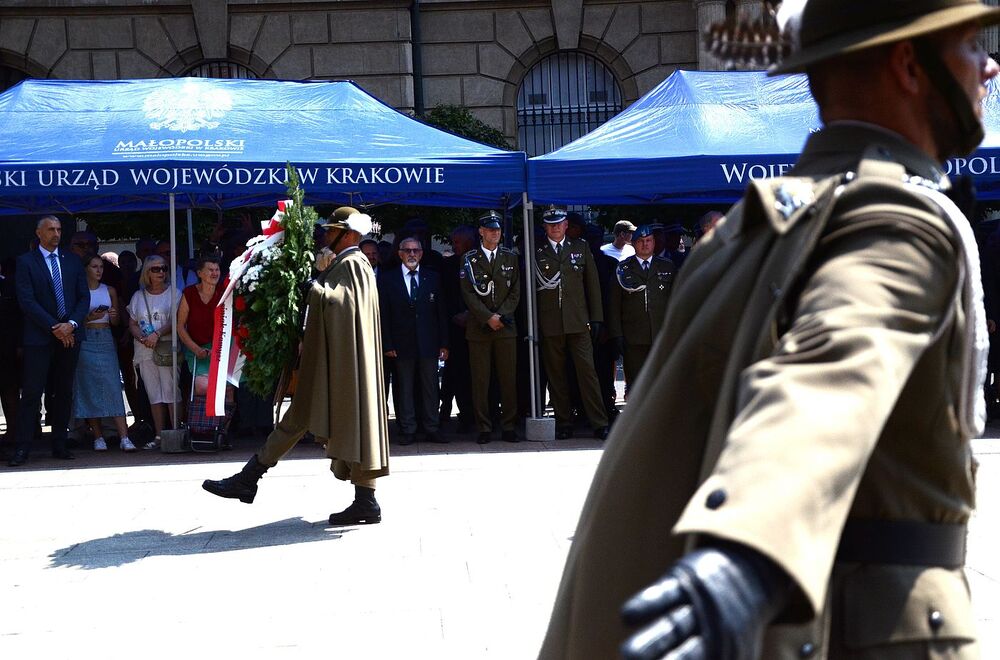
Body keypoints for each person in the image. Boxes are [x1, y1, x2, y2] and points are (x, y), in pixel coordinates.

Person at [538, 1, 1000, 659]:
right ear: (909, 64)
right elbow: (832, 371)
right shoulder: (897, 220)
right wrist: (747, 553)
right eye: (969, 45)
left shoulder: (752, 223)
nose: (988, 66)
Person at [202, 206, 390, 526]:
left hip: (340, 366)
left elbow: (341, 305)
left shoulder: (354, 263)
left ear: (350, 235)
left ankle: (251, 479)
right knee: (307, 418)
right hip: (334, 362)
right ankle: (250, 478)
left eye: (333, 231)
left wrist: (311, 287)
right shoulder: (345, 262)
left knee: (330, 420)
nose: (327, 236)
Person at [8, 215, 89, 467]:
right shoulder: (26, 262)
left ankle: (60, 443)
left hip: (69, 335)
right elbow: (27, 301)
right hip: (40, 337)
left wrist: (71, 325)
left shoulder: (73, 261)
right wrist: (55, 327)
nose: (56, 233)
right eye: (51, 229)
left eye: (59, 229)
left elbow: (83, 298)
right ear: (39, 233)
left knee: (63, 391)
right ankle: (22, 447)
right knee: (32, 392)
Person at [534, 208, 609, 440]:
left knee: (588, 373)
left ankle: (599, 422)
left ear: (566, 225)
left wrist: (596, 317)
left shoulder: (580, 247)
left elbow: (592, 285)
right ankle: (564, 421)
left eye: (559, 224)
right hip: (550, 321)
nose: (555, 228)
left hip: (578, 321)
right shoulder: (537, 251)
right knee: (556, 375)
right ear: (545, 227)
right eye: (551, 224)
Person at [380, 236, 450, 445]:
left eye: (416, 251)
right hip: (401, 344)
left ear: (421, 254)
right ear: (400, 253)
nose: (412, 254)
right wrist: (388, 343)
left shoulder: (433, 278)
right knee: (405, 387)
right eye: (407, 251)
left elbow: (441, 313)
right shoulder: (387, 279)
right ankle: (408, 428)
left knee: (430, 388)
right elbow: (383, 315)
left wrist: (444, 343)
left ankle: (432, 427)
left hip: (429, 342)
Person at [461, 211, 521, 444]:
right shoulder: (469, 259)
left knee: (508, 379)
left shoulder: (510, 257)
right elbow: (467, 292)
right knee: (481, 381)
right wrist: (487, 317)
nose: (495, 233)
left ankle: (508, 426)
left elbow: (516, 290)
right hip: (479, 327)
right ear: (481, 232)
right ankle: (484, 427)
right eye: (491, 229)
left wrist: (501, 316)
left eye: (498, 230)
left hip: (505, 327)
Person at [73, 253, 135, 452]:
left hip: (106, 338)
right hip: (86, 339)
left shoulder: (110, 291)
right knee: (88, 386)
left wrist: (114, 315)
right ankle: (98, 436)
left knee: (113, 385)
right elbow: (75, 322)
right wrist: (89, 318)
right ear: (86, 269)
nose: (99, 270)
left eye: (101, 267)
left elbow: (115, 322)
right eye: (94, 267)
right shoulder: (79, 292)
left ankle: (124, 436)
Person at [607, 225, 674, 390]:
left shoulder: (667, 267)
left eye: (649, 241)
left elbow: (675, 301)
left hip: (661, 334)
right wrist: (616, 335)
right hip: (633, 336)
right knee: (636, 384)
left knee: (662, 381)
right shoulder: (623, 268)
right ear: (634, 244)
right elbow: (614, 305)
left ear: (654, 243)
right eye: (641, 241)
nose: (645, 244)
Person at [126, 254, 180, 450]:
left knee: (171, 391)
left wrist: (156, 334)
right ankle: (159, 436)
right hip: (144, 349)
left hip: (166, 347)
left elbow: (176, 320)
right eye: (156, 269)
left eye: (164, 268)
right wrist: (142, 337)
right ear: (147, 272)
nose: (161, 272)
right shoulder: (138, 296)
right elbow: (131, 322)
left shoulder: (174, 293)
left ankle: (175, 433)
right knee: (154, 394)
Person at [439, 224, 476, 432]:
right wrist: (455, 316)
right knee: (456, 373)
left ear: (470, 242)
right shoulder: (449, 265)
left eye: (457, 242)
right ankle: (455, 413)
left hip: (480, 325)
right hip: (454, 328)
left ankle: (474, 415)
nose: (454, 247)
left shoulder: (480, 261)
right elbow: (444, 295)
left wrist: (473, 315)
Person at [176, 255, 223, 377]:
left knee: (227, 389)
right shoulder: (189, 293)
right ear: (199, 273)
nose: (214, 273)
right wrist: (196, 349)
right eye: (210, 270)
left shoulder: (224, 293)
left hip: (220, 349)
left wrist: (219, 348)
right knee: (203, 385)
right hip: (197, 348)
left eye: (217, 270)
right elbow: (180, 326)